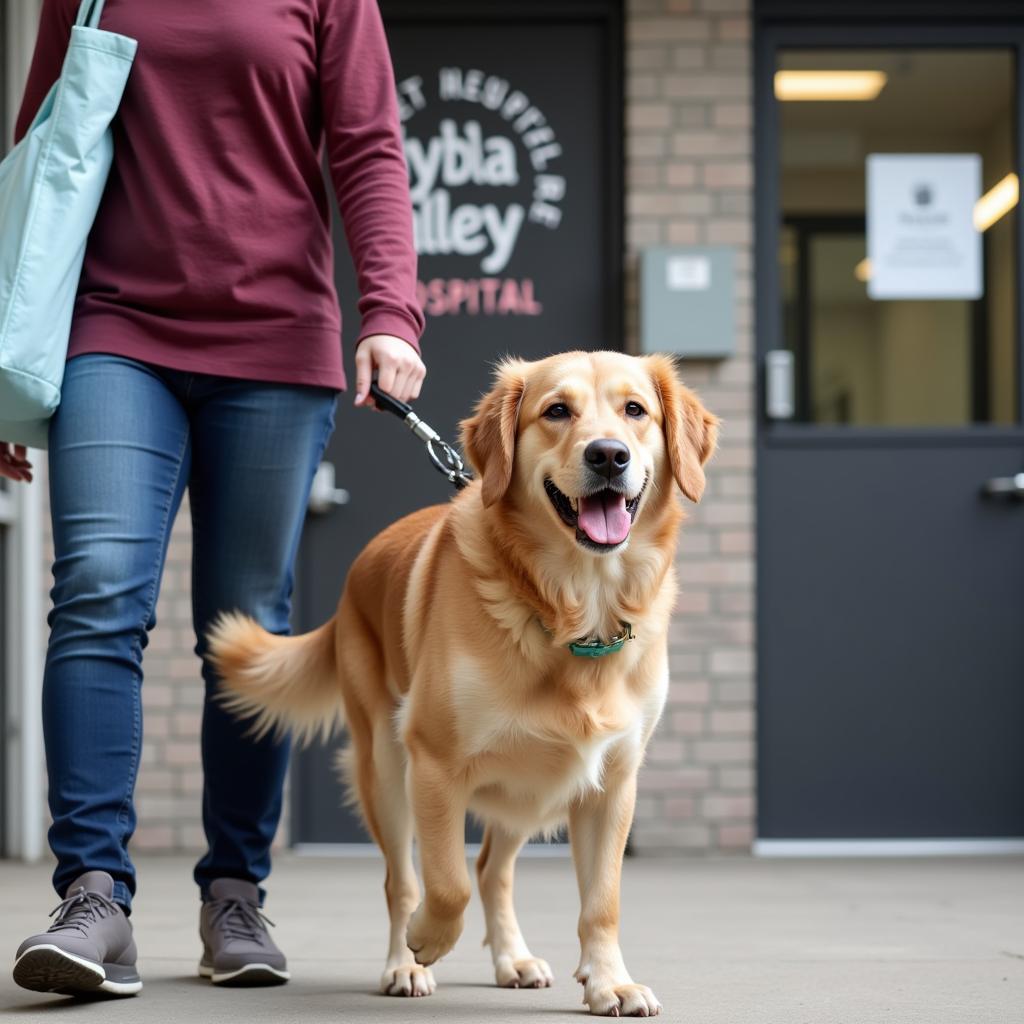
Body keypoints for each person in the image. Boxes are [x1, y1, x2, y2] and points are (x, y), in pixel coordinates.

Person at [3, 0, 425, 997]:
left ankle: (235, 891)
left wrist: (391, 310)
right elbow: (41, 149)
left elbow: (367, 149)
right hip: (112, 329)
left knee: (245, 623)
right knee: (98, 591)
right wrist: (10, 366)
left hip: (275, 343)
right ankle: (94, 893)